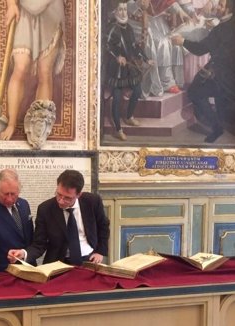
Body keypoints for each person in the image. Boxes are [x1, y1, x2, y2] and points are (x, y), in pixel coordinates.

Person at [170, 0, 235, 143]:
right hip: (234, 76)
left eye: (221, 6)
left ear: (228, 10)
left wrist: (182, 41)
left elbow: (201, 49)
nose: (217, 7)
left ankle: (217, 127)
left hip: (223, 76)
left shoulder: (221, 29)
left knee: (194, 91)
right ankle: (227, 124)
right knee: (218, 96)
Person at [8, 169, 110, 265]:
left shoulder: (92, 201)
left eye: (67, 198)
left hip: (89, 259)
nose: (61, 201)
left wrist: (100, 251)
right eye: (59, 194)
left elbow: (103, 226)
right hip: (58, 262)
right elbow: (39, 244)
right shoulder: (45, 209)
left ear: (79, 194)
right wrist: (23, 253)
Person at [0, 0, 66, 141]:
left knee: (44, 71)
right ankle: (11, 124)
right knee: (20, 67)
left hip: (50, 11)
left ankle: (38, 129)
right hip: (25, 10)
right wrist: (11, 4)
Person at [105, 2, 151, 141]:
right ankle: (118, 129)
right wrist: (117, 56)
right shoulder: (111, 28)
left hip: (129, 68)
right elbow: (105, 46)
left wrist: (146, 59)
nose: (123, 12)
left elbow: (135, 47)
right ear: (116, 12)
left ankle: (129, 116)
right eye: (120, 9)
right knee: (117, 98)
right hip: (117, 70)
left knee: (137, 91)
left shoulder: (129, 28)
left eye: (125, 9)